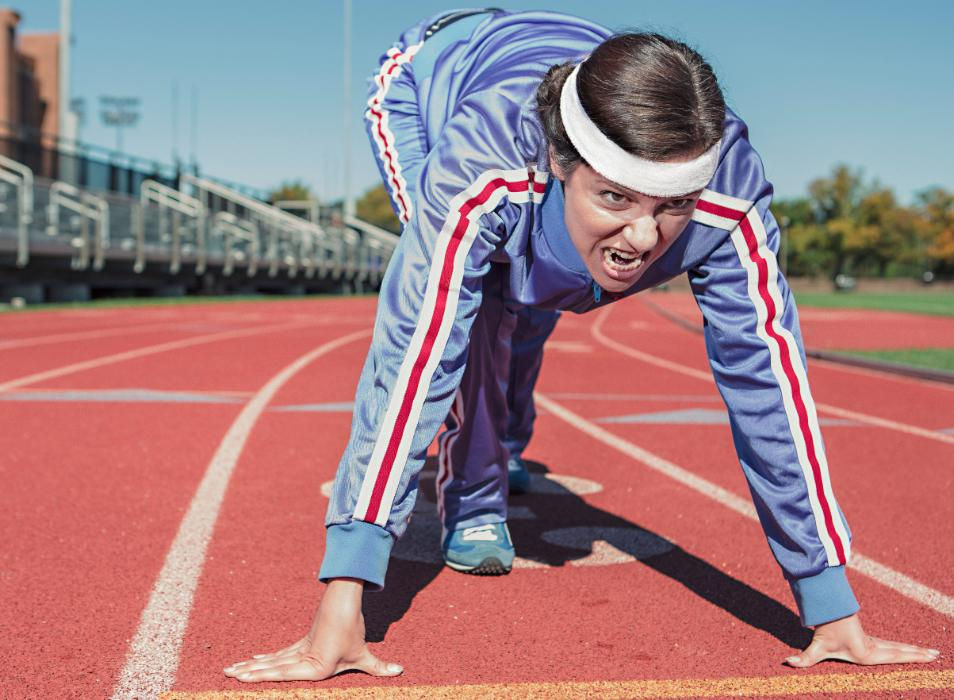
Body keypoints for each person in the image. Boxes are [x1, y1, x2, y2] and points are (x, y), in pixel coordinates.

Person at [225, 8, 939, 683]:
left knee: (539, 295)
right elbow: (414, 356)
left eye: (672, 208)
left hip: (569, 79)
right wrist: (345, 598)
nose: (643, 238)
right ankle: (474, 497)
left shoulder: (730, 197)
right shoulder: (484, 165)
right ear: (565, 163)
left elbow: (770, 388)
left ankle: (506, 438)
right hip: (430, 79)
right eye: (617, 199)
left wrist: (830, 603)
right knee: (474, 308)